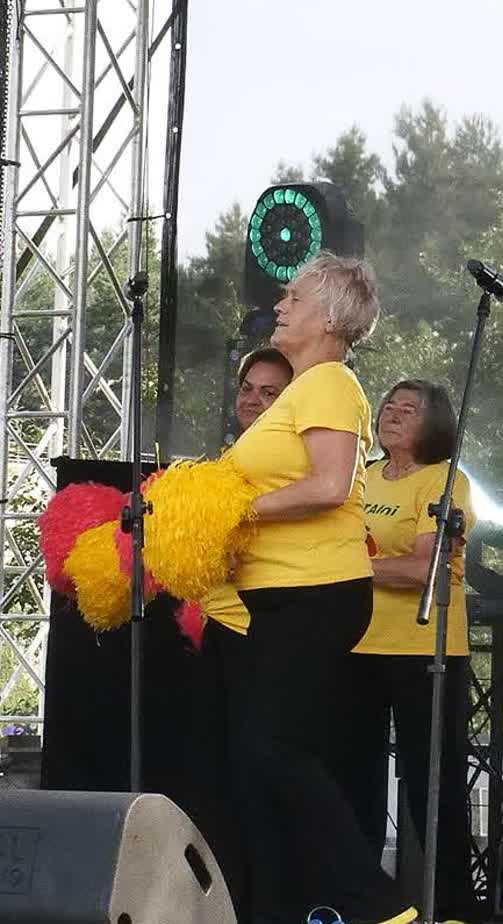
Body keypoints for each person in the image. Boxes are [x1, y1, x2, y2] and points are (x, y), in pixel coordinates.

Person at [226, 253, 414, 924]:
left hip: (314, 591)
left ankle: (381, 907)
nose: (280, 306)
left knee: (276, 752)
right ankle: (290, 905)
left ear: (330, 318)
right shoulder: (304, 390)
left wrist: (234, 510)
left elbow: (331, 485)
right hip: (276, 594)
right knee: (263, 759)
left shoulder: (330, 382)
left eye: (295, 297)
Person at [342, 379, 478, 921]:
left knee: (432, 782)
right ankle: (365, 904)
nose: (392, 414)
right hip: (355, 644)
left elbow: (426, 567)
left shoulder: (445, 480)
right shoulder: (362, 476)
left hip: (426, 648)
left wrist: (351, 568)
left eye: (409, 409)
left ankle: (453, 907)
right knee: (354, 777)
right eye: (389, 406)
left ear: (435, 423)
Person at [185, 346, 295, 923]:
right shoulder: (232, 460)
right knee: (220, 780)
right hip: (219, 628)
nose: (253, 400)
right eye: (248, 388)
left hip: (260, 631)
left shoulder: (286, 466)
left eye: (269, 392)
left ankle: (268, 905)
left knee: (261, 781)